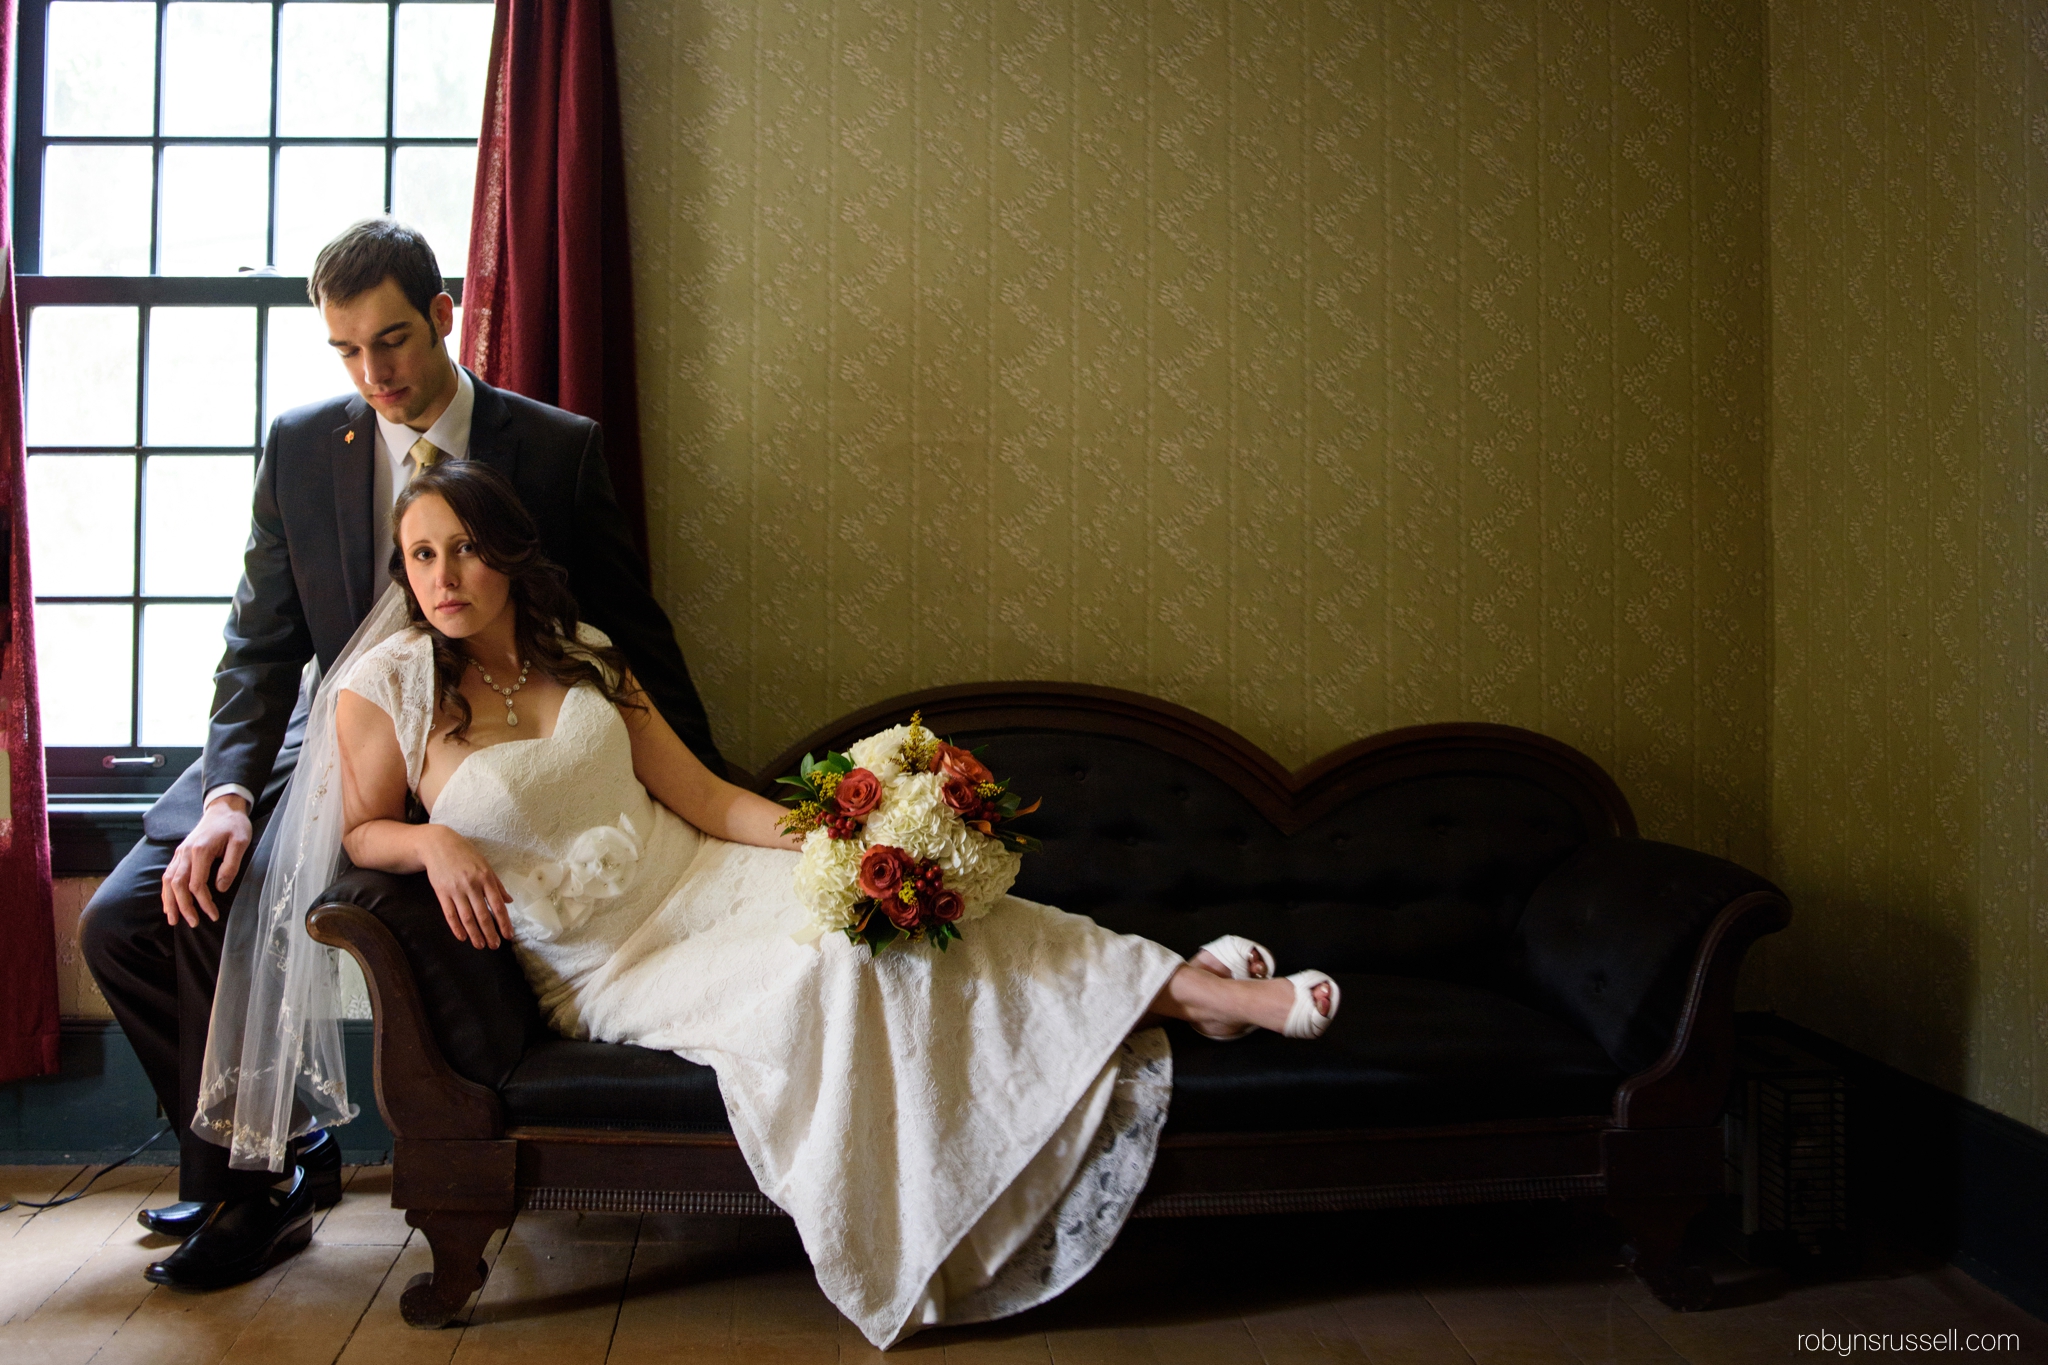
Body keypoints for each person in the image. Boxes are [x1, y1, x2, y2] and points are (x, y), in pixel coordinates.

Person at [310, 460, 1340, 1347]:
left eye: (466, 549)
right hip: (615, 964)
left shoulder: (581, 649)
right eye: (421, 556)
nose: (444, 577)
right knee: (847, 963)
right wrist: (430, 837)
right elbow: (358, 831)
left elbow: (704, 798)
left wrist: (847, 838)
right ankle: (1183, 997)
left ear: (508, 552)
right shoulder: (387, 688)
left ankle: (1180, 987)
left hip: (707, 876)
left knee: (884, 912)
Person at [76, 218, 726, 1291]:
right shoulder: (299, 446)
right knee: (125, 923)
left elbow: (629, 628)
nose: (371, 373)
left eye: (391, 341)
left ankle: (258, 1195)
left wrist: (712, 790)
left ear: (442, 315)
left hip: (446, 749)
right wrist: (231, 792)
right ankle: (278, 1142)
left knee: (223, 912)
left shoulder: (554, 449)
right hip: (307, 740)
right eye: (343, 350)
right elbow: (258, 647)